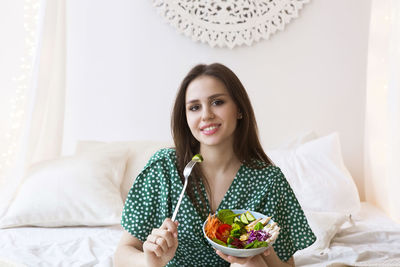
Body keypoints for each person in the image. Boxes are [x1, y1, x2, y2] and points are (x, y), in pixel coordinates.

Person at [114, 63, 316, 267]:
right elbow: (122, 254)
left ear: (239, 109)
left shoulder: (269, 181)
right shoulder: (163, 169)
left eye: (217, 102)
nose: (206, 115)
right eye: (194, 107)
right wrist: (150, 262)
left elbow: (287, 265)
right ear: (186, 117)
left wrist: (259, 261)